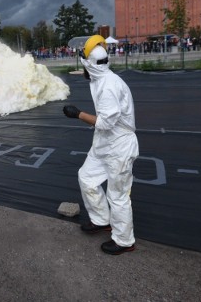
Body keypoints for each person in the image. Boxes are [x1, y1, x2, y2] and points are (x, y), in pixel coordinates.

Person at [63, 34, 139, 255]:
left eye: (84, 63)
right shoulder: (100, 80)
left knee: (118, 194)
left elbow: (106, 123)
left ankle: (124, 241)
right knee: (87, 177)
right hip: (104, 143)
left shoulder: (108, 86)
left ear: (90, 65)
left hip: (119, 145)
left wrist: (78, 114)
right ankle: (101, 219)